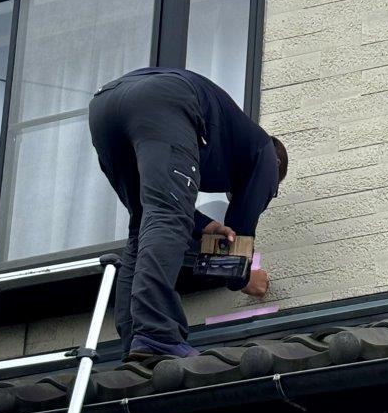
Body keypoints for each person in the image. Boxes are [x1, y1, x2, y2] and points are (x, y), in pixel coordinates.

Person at [87, 67, 287, 362]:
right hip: (166, 99)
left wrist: (204, 226)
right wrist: (242, 279)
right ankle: (156, 334)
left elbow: (159, 202)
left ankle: (135, 340)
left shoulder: (233, 144)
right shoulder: (267, 155)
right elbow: (240, 227)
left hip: (106, 106)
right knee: (168, 215)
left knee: (143, 221)